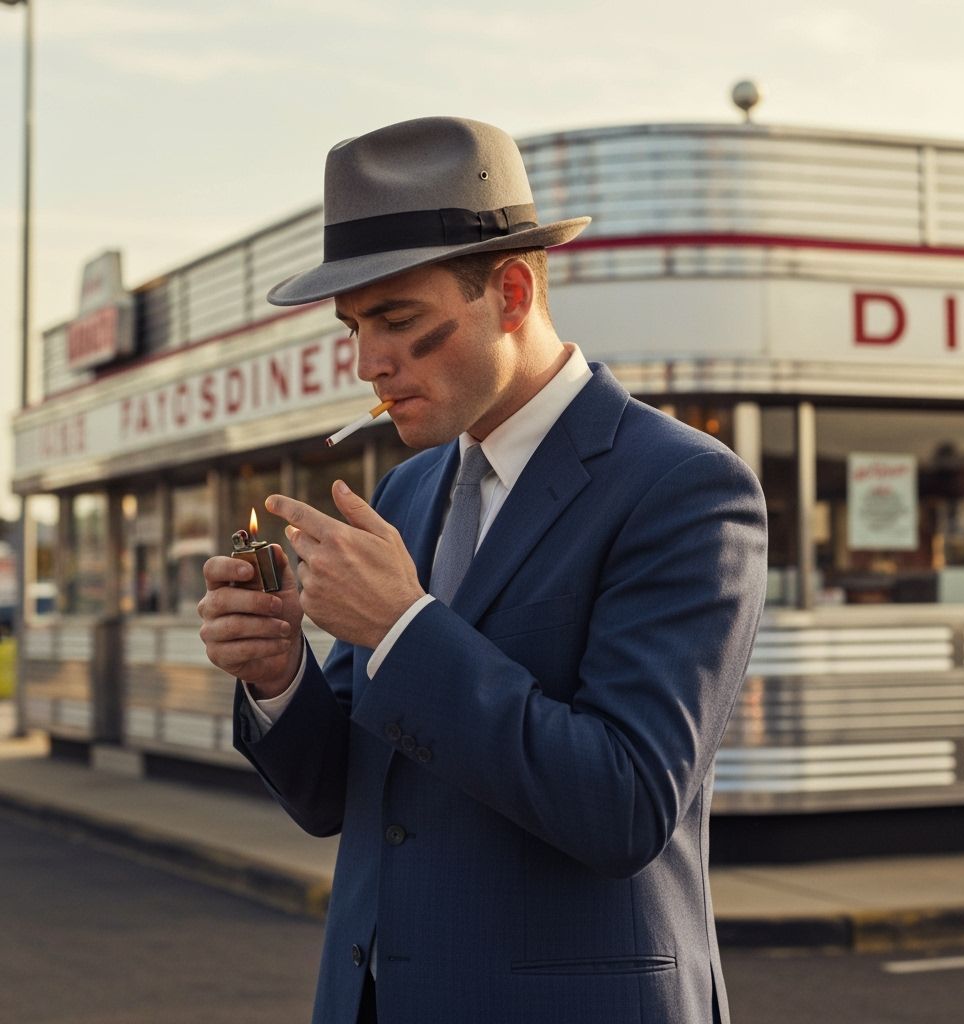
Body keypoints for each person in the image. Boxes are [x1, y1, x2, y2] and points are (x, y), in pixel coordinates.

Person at [198, 116, 767, 1024]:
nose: (368, 362)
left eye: (398, 320)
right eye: (353, 327)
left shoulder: (683, 487)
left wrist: (401, 627)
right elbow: (338, 797)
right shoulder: (408, 490)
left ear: (510, 292)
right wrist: (278, 674)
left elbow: (624, 806)